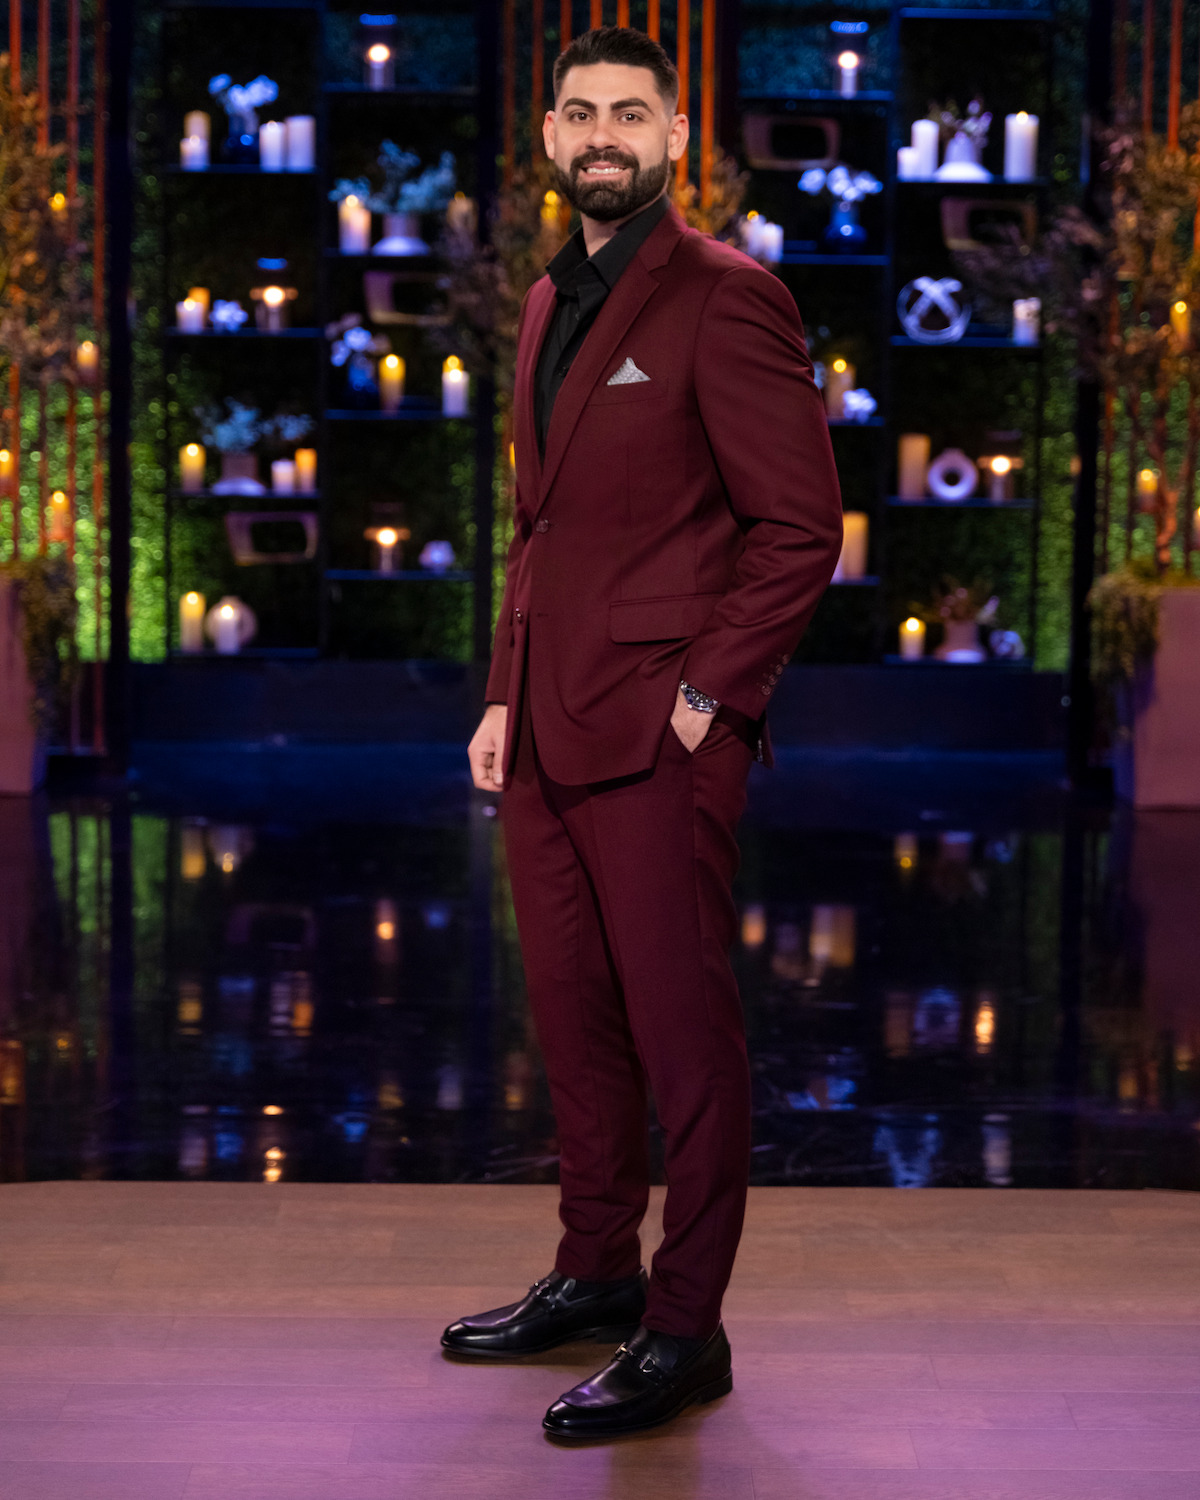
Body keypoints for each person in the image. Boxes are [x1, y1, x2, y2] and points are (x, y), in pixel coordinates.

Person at [446, 25, 843, 1438]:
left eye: (630, 111)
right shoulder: (551, 304)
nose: (601, 132)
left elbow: (802, 529)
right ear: (550, 139)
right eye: (578, 111)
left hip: (664, 736)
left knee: (686, 1040)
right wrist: (501, 687)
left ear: (675, 138)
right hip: (546, 731)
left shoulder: (731, 298)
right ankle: (597, 1272)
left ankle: (688, 1330)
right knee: (576, 1025)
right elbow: (541, 527)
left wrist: (710, 697)